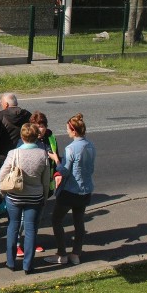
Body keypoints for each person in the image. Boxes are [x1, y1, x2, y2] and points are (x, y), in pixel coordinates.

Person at [0, 123, 50, 274]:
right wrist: (44, 197)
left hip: (15, 195)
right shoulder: (43, 154)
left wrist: (2, 192)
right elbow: (45, 180)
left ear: (22, 136)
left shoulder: (14, 153)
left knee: (13, 227)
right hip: (35, 197)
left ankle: (11, 262)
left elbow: (1, 175)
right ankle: (28, 265)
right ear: (36, 137)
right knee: (31, 229)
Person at [45, 113, 96, 266]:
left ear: (74, 131)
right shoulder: (90, 145)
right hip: (85, 189)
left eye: (68, 129)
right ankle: (76, 254)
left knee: (56, 219)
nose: (66, 131)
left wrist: (56, 160)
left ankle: (62, 253)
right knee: (79, 221)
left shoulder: (71, 148)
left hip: (70, 190)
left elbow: (65, 170)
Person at [0, 93, 32, 165]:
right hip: (23, 152)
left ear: (6, 104)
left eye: (2, 103)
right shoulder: (27, 114)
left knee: (2, 175)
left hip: (3, 154)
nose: (1, 105)